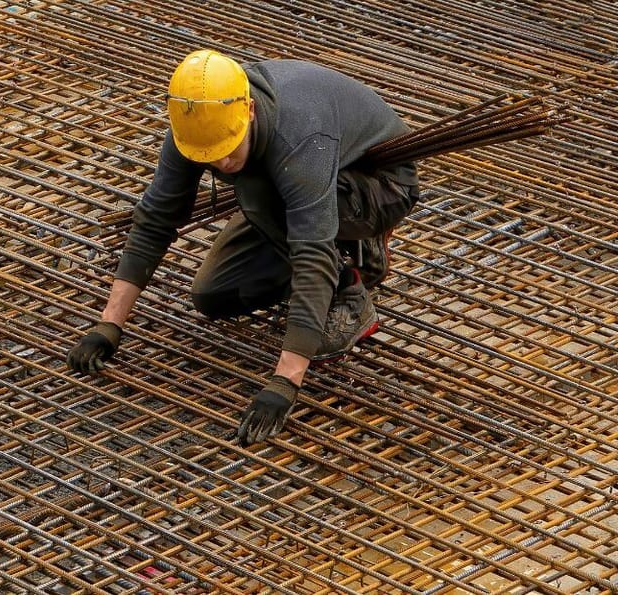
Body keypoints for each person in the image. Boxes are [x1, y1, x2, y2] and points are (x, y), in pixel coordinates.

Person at [66, 49, 420, 445]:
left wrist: (285, 382)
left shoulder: (298, 134)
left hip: (378, 186)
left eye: (227, 149)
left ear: (249, 111)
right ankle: (349, 250)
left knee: (257, 189)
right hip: (293, 190)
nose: (221, 163)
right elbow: (155, 217)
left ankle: (350, 286)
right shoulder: (195, 123)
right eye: (210, 158)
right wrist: (108, 325)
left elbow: (311, 252)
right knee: (214, 296)